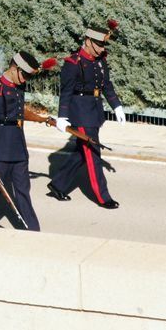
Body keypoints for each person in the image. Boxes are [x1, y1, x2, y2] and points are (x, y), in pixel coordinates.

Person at [0, 51, 55, 231]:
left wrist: (44, 119)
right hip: (1, 149)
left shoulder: (18, 86)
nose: (25, 81)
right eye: (24, 75)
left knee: (23, 190)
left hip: (18, 147)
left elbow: (20, 113)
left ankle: (32, 229)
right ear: (14, 69)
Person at [49, 22, 124, 209]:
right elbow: (66, 92)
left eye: (103, 45)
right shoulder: (73, 63)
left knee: (81, 153)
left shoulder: (100, 60)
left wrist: (117, 106)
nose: (101, 48)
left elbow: (106, 85)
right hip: (81, 113)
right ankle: (103, 196)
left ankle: (58, 185)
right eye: (98, 44)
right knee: (93, 154)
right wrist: (62, 117)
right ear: (88, 41)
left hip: (95, 111)